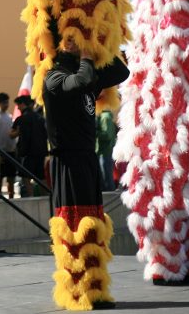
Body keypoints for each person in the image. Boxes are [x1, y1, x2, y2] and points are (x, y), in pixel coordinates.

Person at [43, 38, 129, 307]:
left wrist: (100, 43)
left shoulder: (86, 73)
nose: (75, 42)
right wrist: (85, 56)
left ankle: (95, 288)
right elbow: (80, 82)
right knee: (74, 227)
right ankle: (77, 291)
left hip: (87, 160)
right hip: (67, 163)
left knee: (93, 227)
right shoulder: (54, 77)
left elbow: (121, 72)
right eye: (69, 38)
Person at [12, 92, 48, 197]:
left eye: (18, 105)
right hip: (41, 152)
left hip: (27, 154)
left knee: (26, 177)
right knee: (41, 177)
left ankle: (31, 197)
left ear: (23, 104)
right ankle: (46, 198)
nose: (18, 108)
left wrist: (18, 132)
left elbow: (11, 134)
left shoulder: (21, 119)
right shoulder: (41, 118)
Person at [0, 92, 17, 197]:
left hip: (11, 151)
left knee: (11, 176)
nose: (6, 104)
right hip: (0, 151)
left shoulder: (9, 116)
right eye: (4, 102)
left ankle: (11, 196)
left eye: (7, 102)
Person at [95, 107, 117, 191]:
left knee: (106, 175)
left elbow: (107, 135)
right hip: (103, 151)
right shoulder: (104, 117)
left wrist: (95, 132)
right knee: (106, 174)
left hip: (105, 151)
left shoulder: (105, 117)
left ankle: (110, 195)